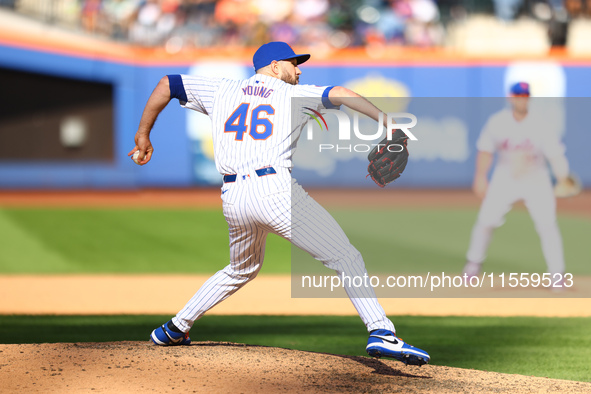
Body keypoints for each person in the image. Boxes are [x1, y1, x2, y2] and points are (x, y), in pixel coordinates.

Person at [129, 41, 429, 365]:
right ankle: (381, 331)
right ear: (274, 66)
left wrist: (143, 136)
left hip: (233, 197)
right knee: (346, 256)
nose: (299, 70)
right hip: (274, 191)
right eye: (293, 63)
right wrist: (391, 124)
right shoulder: (293, 95)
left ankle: (174, 328)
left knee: (240, 269)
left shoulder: (222, 89)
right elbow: (341, 92)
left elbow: (167, 84)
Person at [463, 82, 570, 289]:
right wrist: (480, 176)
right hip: (506, 176)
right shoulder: (497, 122)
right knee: (486, 221)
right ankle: (473, 264)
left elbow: (556, 155)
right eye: (518, 95)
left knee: (547, 224)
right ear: (511, 97)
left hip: (536, 177)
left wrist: (562, 176)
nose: (522, 99)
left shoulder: (541, 123)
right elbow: (485, 150)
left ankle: (557, 274)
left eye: (525, 95)